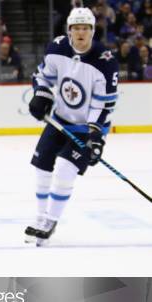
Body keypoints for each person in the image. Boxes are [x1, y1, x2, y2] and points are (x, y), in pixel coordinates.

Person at [26, 8, 118, 245]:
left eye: (85, 28)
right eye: (76, 28)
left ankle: (50, 221)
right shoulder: (57, 48)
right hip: (59, 120)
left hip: (86, 128)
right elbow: (43, 76)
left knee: (66, 170)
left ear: (92, 31)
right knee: (41, 166)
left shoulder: (105, 62)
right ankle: (39, 217)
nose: (80, 32)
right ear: (68, 30)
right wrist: (42, 95)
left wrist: (96, 136)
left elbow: (104, 105)